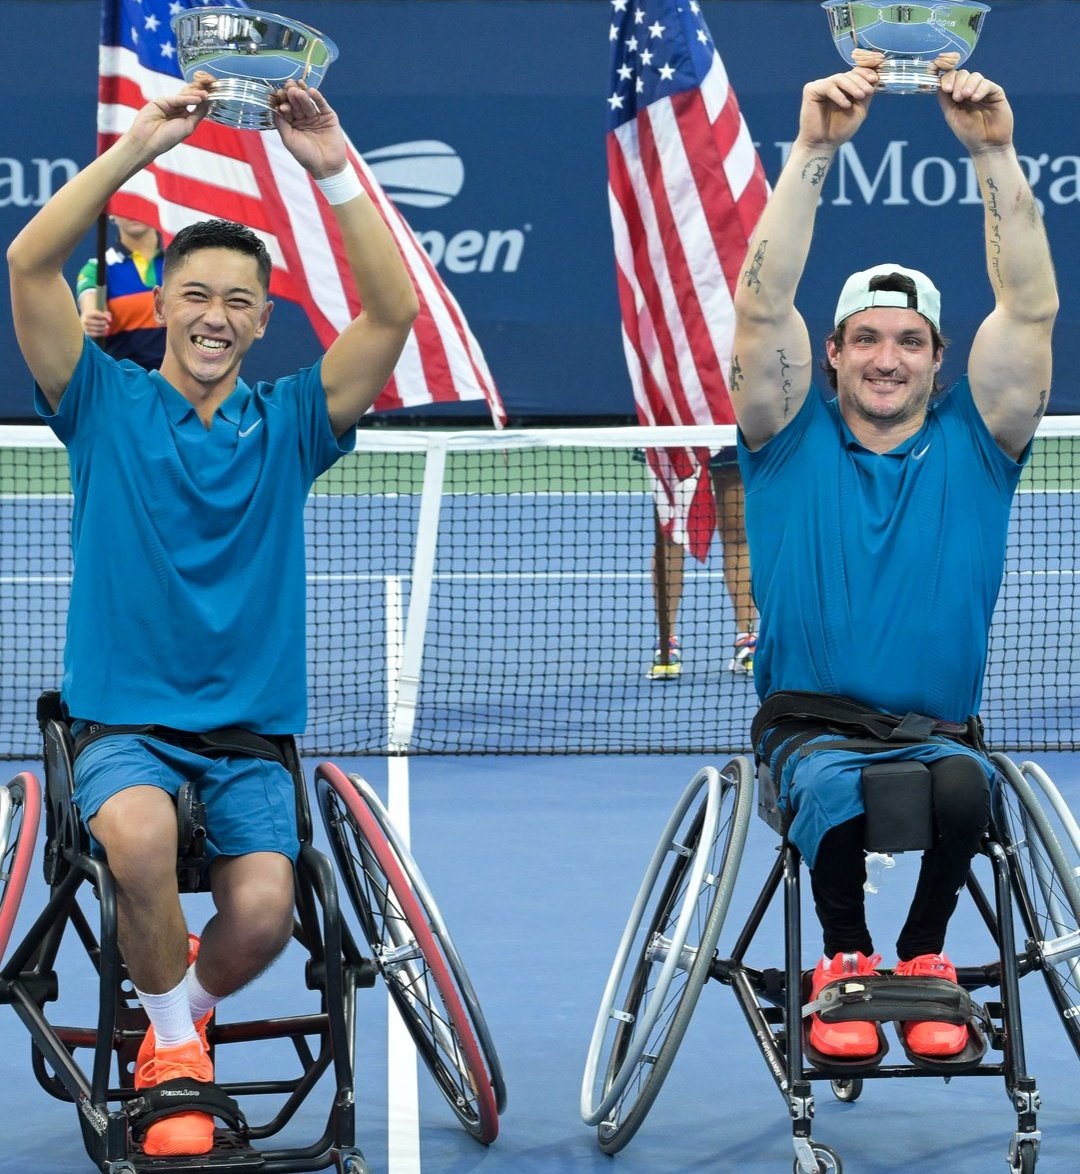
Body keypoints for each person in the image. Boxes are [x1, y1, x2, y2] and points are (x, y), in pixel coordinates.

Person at [7, 71, 418, 1156]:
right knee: (137, 838)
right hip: (123, 727)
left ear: (262, 316)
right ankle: (181, 1052)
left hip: (248, 741)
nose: (216, 316)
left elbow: (392, 312)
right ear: (164, 302)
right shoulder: (101, 400)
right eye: (197, 294)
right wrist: (139, 146)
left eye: (240, 300)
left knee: (267, 917)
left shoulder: (291, 421)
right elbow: (27, 263)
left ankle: (167, 1013)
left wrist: (330, 165)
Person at [729, 54, 1056, 1063]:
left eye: (908, 341)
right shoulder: (787, 436)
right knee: (837, 791)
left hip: (939, 733)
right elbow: (758, 306)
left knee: (967, 789)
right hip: (811, 737)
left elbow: (1031, 307)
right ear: (829, 353)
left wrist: (995, 152)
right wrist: (813, 151)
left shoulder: (981, 437)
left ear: (938, 356)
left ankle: (920, 956)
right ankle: (843, 957)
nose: (885, 358)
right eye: (864, 339)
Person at [645, 449, 758, 680]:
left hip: (725, 424)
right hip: (674, 427)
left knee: (738, 531)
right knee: (671, 533)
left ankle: (747, 637)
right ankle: (667, 642)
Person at [76, 215, 166, 369]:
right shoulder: (96, 269)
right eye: (126, 202)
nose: (133, 211)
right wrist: (90, 317)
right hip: (125, 384)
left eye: (140, 199)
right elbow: (89, 305)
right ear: (112, 214)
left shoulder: (181, 262)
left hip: (181, 386)